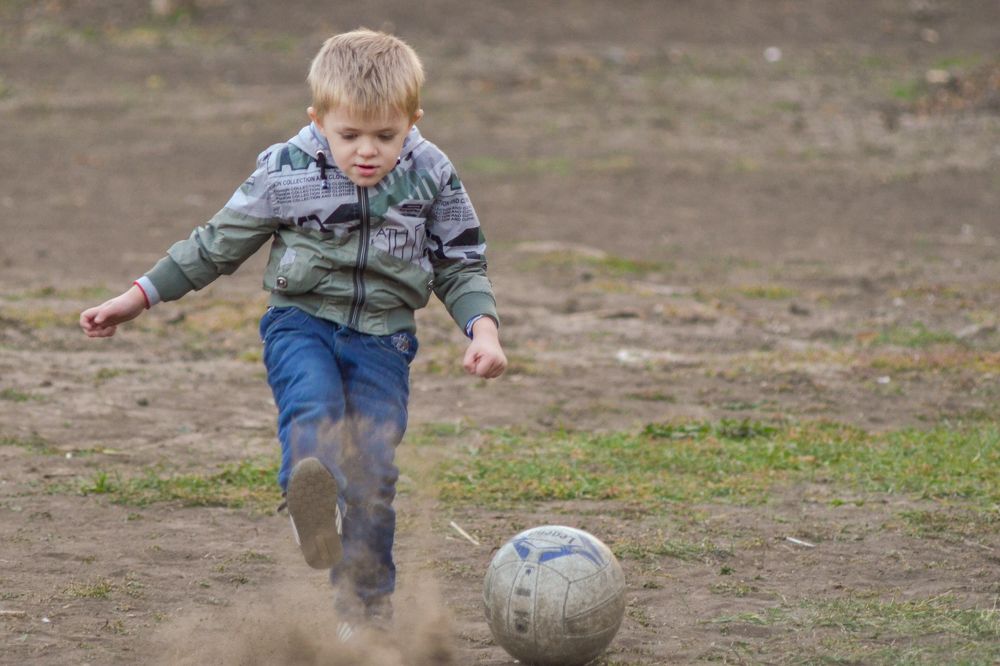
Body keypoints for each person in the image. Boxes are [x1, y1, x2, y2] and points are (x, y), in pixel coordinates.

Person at [79, 28, 507, 631]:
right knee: (312, 408)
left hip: (385, 340)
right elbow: (217, 244)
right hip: (300, 322)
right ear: (318, 119)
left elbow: (460, 262)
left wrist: (482, 331)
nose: (367, 151)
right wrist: (138, 297)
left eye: (386, 136)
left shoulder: (432, 174)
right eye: (349, 135)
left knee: (375, 474)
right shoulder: (286, 168)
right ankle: (309, 497)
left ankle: (364, 610)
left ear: (413, 120)